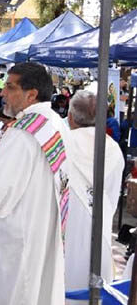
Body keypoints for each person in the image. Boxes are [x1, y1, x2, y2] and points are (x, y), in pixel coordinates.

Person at [0, 62, 71, 304]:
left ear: (31, 94)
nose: (2, 93)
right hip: (43, 229)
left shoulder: (23, 132)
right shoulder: (55, 124)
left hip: (18, 238)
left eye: (10, 87)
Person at [63, 90, 124, 303]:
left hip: (64, 228)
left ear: (70, 117)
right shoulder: (114, 149)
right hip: (100, 227)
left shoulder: (62, 144)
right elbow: (113, 194)